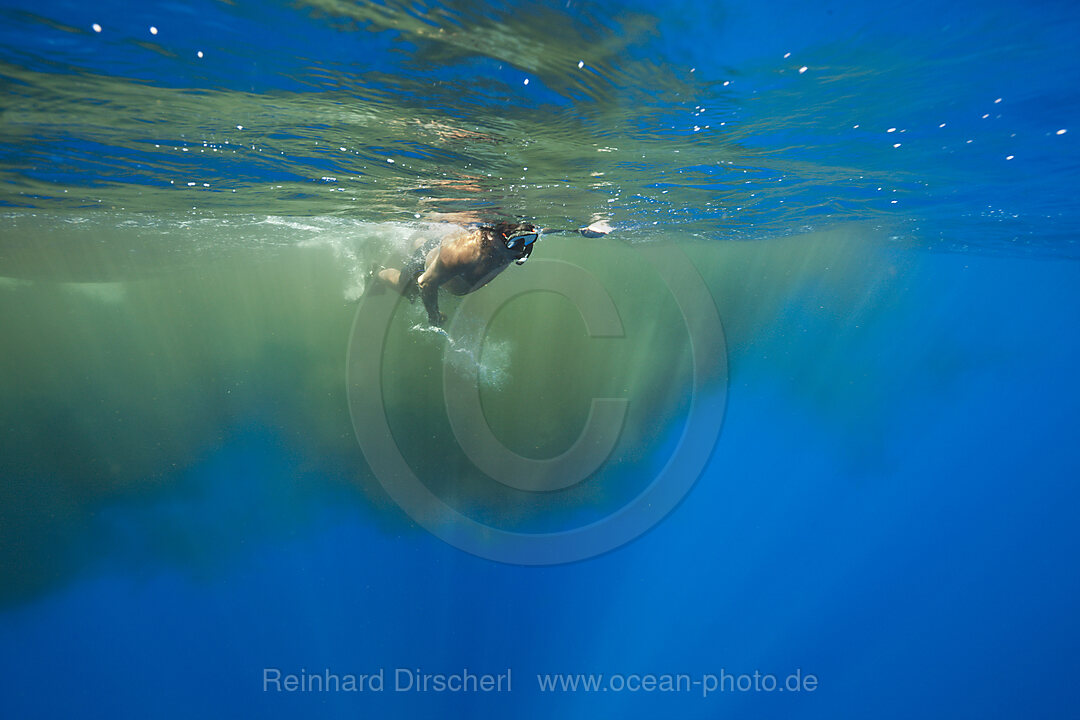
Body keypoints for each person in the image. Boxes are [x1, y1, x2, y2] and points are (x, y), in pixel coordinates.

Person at [371, 221, 540, 326]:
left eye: (523, 245)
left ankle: (419, 243)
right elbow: (425, 282)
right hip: (425, 267)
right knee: (405, 287)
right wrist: (434, 316)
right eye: (511, 244)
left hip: (444, 260)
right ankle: (375, 273)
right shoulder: (462, 254)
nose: (516, 253)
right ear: (490, 237)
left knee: (430, 250)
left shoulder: (512, 248)